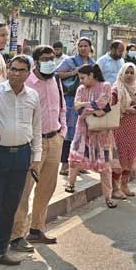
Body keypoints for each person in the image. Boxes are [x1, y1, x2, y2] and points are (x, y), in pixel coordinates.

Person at [0, 55, 42, 270]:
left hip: (22, 155)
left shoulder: (32, 95)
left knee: (11, 205)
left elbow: (37, 128)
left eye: (22, 70)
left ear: (28, 73)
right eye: (13, 69)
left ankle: (2, 250)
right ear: (8, 70)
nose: (16, 73)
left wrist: (37, 156)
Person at [10, 46, 66, 252]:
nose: (50, 62)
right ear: (35, 62)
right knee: (24, 190)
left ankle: (36, 229)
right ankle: (17, 235)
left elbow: (62, 107)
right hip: (34, 143)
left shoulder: (56, 80)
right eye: (45, 59)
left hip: (54, 140)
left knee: (47, 188)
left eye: (52, 58)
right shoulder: (26, 83)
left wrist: (62, 132)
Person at [67, 64, 118, 206]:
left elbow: (103, 103)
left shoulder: (106, 86)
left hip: (103, 134)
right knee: (75, 159)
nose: (81, 81)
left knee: (105, 166)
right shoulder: (80, 89)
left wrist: (85, 105)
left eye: (82, 78)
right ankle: (70, 183)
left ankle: (108, 197)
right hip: (82, 131)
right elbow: (78, 109)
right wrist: (95, 109)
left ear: (91, 75)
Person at [56, 37, 95, 176]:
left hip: (87, 103)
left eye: (85, 46)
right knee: (69, 133)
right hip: (71, 102)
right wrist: (74, 72)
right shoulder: (69, 61)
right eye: (80, 46)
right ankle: (65, 165)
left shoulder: (92, 63)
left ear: (90, 47)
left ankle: (79, 163)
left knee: (83, 133)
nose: (83, 48)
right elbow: (57, 74)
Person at [113, 62, 136, 199]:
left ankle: (124, 185)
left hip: (133, 128)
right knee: (119, 158)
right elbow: (111, 107)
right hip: (119, 128)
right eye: (127, 72)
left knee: (129, 157)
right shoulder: (116, 89)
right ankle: (115, 188)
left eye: (132, 73)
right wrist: (126, 110)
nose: (130, 75)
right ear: (122, 73)